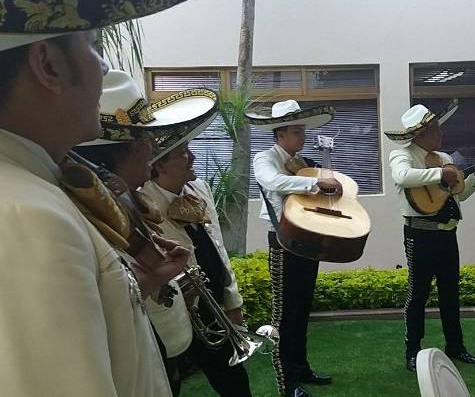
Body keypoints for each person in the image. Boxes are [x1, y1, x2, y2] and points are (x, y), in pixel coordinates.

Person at [0, 0, 232, 395]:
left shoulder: (36, 190)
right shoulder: (29, 217)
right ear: (48, 65)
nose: (104, 66)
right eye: (91, 44)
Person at [76, 69, 226, 396]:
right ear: (120, 152)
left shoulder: (127, 197)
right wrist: (155, 280)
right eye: (147, 139)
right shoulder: (83, 213)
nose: (153, 148)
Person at [385, 101, 475, 372]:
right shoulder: (402, 155)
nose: (440, 135)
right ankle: (412, 350)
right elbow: (402, 176)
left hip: (447, 234)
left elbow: (459, 193)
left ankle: (455, 345)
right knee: (417, 295)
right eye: (435, 130)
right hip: (419, 234)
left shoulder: (445, 158)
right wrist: (439, 173)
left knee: (450, 293)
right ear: (421, 133)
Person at [144, 141, 252, 397]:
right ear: (160, 165)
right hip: (174, 308)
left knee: (235, 382)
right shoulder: (142, 201)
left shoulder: (199, 188)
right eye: (183, 153)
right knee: (169, 384)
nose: (193, 157)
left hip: (212, 304)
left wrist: (232, 300)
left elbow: (218, 248)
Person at [247, 100, 340, 397]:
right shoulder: (265, 158)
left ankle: (301, 368)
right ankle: (287, 382)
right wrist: (314, 185)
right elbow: (271, 181)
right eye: (297, 132)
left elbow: (319, 192)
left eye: (302, 131)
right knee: (285, 314)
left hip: (307, 239)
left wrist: (330, 185)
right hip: (283, 240)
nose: (302, 137)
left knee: (302, 309)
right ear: (280, 134)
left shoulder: (303, 162)